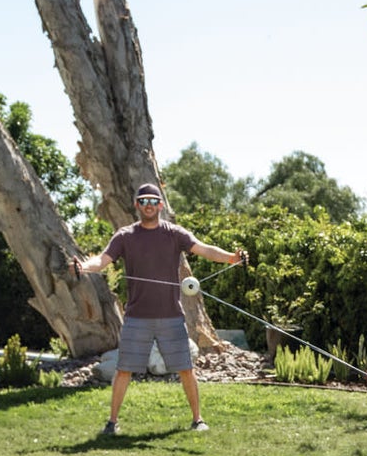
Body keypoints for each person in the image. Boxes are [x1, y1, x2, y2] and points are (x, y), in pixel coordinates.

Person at [69, 183, 246, 436]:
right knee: (123, 370)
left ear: (161, 205)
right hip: (136, 318)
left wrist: (231, 258)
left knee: (186, 368)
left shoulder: (174, 233)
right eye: (144, 201)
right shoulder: (125, 236)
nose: (149, 206)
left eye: (154, 201)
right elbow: (103, 260)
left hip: (171, 316)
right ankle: (112, 423)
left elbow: (203, 248)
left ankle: (198, 420)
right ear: (137, 206)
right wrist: (84, 267)